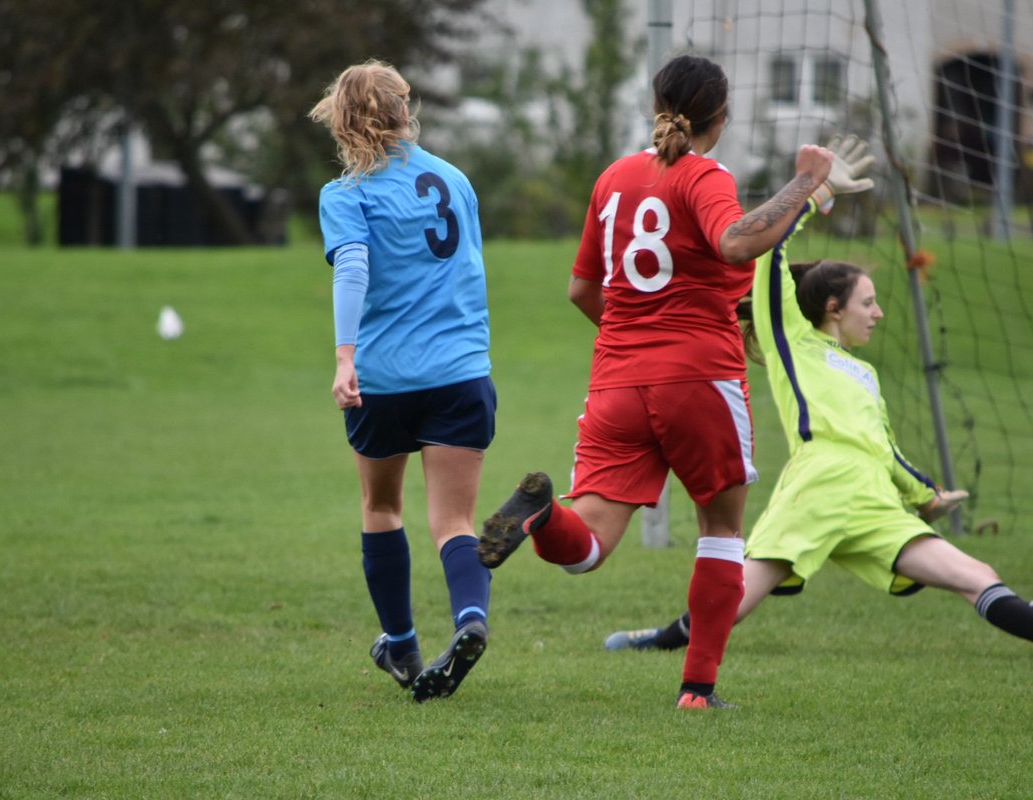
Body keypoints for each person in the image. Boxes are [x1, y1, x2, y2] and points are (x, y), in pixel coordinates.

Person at [603, 142, 1033, 666]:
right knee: (730, 600)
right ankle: (657, 641)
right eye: (867, 303)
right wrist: (815, 191)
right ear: (832, 309)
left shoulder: (864, 373)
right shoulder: (795, 344)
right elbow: (768, 255)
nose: (879, 313)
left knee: (977, 577)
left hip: (872, 500)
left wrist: (926, 495)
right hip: (818, 490)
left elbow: (882, 448)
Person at [477, 54, 844, 711]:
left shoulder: (614, 177)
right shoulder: (704, 174)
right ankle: (698, 692)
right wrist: (805, 183)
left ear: (657, 105)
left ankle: (540, 514)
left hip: (618, 379)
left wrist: (636, 338)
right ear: (721, 118)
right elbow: (734, 244)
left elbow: (582, 288)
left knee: (583, 548)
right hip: (700, 376)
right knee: (723, 530)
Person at [311, 60, 496, 703]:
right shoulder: (455, 179)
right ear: (402, 111)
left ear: (341, 121)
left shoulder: (347, 193)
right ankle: (471, 617)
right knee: (455, 521)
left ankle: (403, 645)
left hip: (386, 377)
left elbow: (353, 266)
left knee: (383, 507)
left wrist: (344, 357)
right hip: (461, 371)